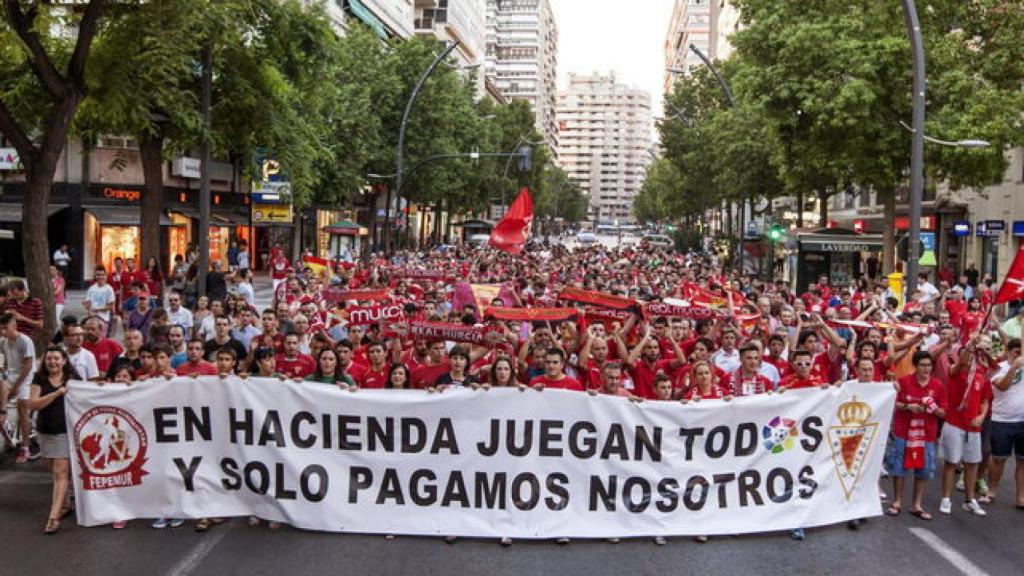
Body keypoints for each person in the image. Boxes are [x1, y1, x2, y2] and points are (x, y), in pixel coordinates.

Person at [886, 351, 947, 521]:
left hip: (927, 434)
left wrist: (932, 407)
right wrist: (908, 406)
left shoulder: (938, 386)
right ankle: (897, 501)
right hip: (903, 431)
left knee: (924, 470)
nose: (926, 368)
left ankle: (916, 504)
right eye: (923, 365)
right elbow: (894, 402)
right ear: (916, 365)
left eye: (929, 365)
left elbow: (943, 413)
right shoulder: (904, 382)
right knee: (899, 467)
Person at [938, 341, 993, 517]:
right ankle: (946, 498)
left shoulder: (981, 374)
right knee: (951, 463)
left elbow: (985, 400)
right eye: (968, 354)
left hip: (974, 427)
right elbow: (960, 362)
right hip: (954, 423)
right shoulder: (956, 371)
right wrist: (971, 344)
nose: (970, 357)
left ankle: (970, 500)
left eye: (973, 354)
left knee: (972, 464)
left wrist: (982, 416)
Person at [28, 347, 79, 534]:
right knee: (56, 473)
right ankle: (65, 505)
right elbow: (33, 404)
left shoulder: (73, 379)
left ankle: (53, 517)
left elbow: (88, 393)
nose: (53, 362)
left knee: (61, 474)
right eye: (49, 359)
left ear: (64, 361)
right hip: (44, 432)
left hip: (64, 432)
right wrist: (57, 393)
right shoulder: (39, 379)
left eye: (56, 359)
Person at [988, 338, 1024, 508]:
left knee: (1022, 462)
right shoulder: (997, 369)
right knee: (998, 460)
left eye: (1021, 352)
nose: (1019, 355)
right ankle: (992, 491)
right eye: (1016, 352)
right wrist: (1014, 367)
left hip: (1022, 421)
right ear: (1008, 351)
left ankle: (1020, 497)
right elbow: (1002, 386)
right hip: (1002, 420)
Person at [1, 312, 37, 463]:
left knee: (22, 409)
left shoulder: (25, 341)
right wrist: (5, 372)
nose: (2, 331)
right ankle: (7, 425)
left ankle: (25, 448)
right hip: (12, 375)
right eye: (0, 328)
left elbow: (28, 366)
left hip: (26, 377)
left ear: (14, 326)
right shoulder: (3, 341)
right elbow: (7, 361)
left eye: (5, 328)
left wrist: (16, 387)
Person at [83, 267, 116, 336]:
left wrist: (96, 309)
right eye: (98, 275)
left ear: (106, 276)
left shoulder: (109, 289)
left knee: (101, 341)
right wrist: (88, 309)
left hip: (103, 320)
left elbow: (110, 306)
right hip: (92, 319)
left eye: (102, 275)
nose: (100, 277)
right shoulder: (91, 288)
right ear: (95, 276)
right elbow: (88, 303)